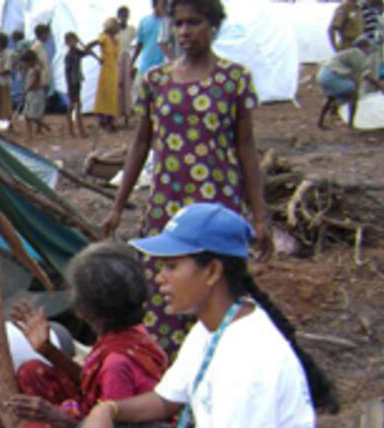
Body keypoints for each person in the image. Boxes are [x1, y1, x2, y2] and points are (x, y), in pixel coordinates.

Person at [72, 203, 337, 428]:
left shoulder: (250, 364)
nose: (160, 278)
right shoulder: (212, 328)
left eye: (172, 266)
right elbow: (165, 401)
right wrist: (107, 410)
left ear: (211, 271)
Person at [102, 0, 272, 358]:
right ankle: (167, 375)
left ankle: (221, 366)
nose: (184, 32)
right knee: (164, 292)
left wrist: (259, 215)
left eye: (193, 23)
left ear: (213, 26)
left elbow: (246, 147)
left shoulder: (234, 79)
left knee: (218, 286)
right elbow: (141, 143)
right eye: (178, 24)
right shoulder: (157, 80)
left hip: (217, 207)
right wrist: (118, 205)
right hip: (167, 207)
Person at [5, 242, 169, 428]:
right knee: (30, 371)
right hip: (103, 414)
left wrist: (54, 415)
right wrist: (48, 351)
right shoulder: (130, 334)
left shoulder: (116, 363)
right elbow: (92, 382)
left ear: (86, 310)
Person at [318, 35, 384, 129]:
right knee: (353, 94)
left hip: (324, 74)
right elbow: (366, 76)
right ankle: (351, 124)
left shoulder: (350, 52)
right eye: (369, 48)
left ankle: (320, 122)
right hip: (332, 76)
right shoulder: (358, 54)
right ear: (364, 47)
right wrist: (382, 87)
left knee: (330, 97)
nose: (369, 51)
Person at [89, 18, 122, 132]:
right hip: (106, 69)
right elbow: (89, 46)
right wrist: (97, 58)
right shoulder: (103, 37)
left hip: (114, 69)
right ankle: (104, 120)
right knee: (105, 94)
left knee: (112, 95)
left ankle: (110, 120)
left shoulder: (116, 40)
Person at [64, 32, 100, 137]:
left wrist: (93, 45)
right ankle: (73, 129)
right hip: (72, 82)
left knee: (78, 104)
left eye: (74, 40)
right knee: (73, 105)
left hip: (77, 80)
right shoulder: (69, 55)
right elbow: (68, 72)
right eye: (70, 41)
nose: (73, 43)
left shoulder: (76, 52)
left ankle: (79, 129)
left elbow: (87, 52)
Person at [132, 0, 168, 83]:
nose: (165, 6)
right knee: (138, 89)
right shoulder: (144, 21)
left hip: (163, 69)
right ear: (154, 4)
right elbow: (139, 43)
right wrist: (132, 62)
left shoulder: (169, 22)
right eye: (163, 3)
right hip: (144, 67)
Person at [116, 6, 138, 127]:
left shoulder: (131, 30)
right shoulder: (115, 30)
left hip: (127, 57)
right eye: (122, 15)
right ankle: (117, 117)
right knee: (118, 87)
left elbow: (137, 42)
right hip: (117, 58)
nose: (124, 18)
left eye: (126, 15)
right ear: (118, 16)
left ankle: (127, 118)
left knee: (127, 87)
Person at [20, 50, 49, 140]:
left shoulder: (36, 70)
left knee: (32, 116)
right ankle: (29, 136)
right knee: (27, 116)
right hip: (31, 94)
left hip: (36, 95)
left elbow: (33, 82)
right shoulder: (31, 69)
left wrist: (26, 90)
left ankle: (43, 125)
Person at [31, 24, 53, 95]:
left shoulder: (42, 46)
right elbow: (36, 64)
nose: (48, 36)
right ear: (43, 34)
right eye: (47, 34)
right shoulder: (36, 47)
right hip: (40, 80)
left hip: (45, 78)